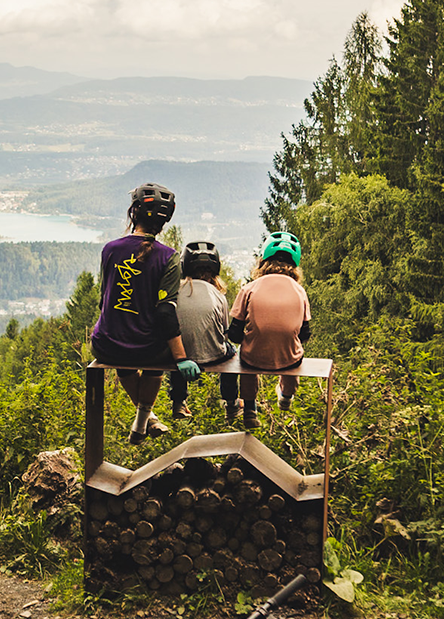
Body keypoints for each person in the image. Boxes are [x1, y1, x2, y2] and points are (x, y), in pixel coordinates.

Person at [90, 183, 202, 445]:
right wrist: (182, 358)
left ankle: (145, 423)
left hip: (105, 345)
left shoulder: (110, 249)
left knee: (123, 358)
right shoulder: (169, 257)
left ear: (134, 213)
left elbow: (103, 300)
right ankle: (143, 419)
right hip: (147, 350)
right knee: (159, 360)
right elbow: (165, 312)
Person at [228, 232, 311, 430]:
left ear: (263, 260)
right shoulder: (300, 291)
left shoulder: (249, 288)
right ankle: (286, 397)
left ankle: (249, 409)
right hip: (288, 359)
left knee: (245, 357)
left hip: (254, 357)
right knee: (294, 352)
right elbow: (305, 334)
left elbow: (234, 334)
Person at [168, 241, 241, 421]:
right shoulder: (218, 295)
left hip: (178, 355)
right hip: (212, 355)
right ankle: (231, 403)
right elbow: (223, 331)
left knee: (178, 348)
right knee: (232, 354)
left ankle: (179, 402)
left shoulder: (175, 289)